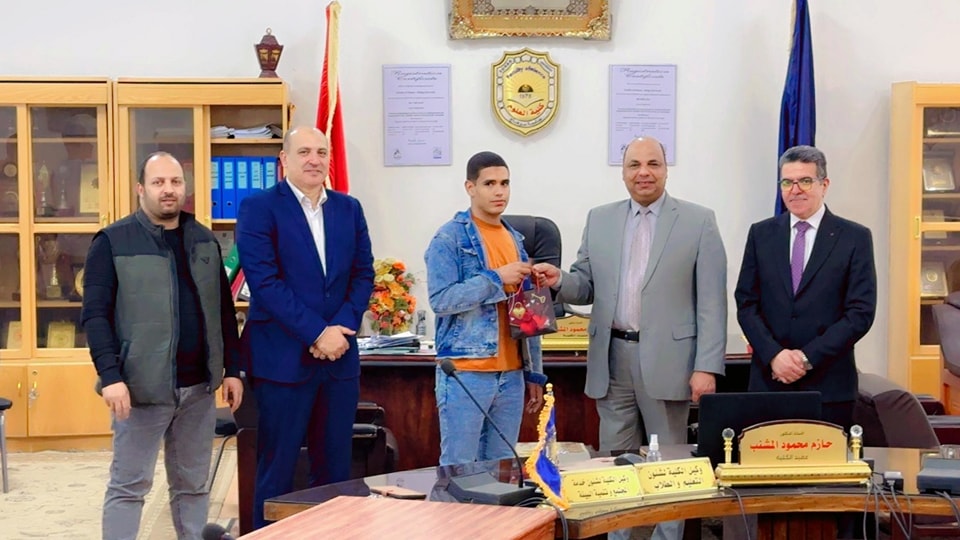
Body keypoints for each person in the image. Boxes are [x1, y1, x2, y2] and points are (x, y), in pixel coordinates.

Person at [536, 137, 726, 540]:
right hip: (612, 357)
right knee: (614, 466)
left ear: (666, 170)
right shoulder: (600, 219)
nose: (644, 172)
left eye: (653, 164)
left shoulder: (698, 221)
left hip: (671, 361)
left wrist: (707, 366)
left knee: (669, 465)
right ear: (622, 173)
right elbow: (585, 285)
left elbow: (712, 301)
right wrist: (559, 281)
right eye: (634, 165)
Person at [81, 151, 243, 540]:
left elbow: (224, 312)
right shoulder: (112, 241)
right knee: (129, 487)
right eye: (158, 182)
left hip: (198, 390)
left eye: (175, 182)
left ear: (184, 187)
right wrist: (110, 376)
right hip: (139, 390)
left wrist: (232, 369)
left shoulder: (204, 239)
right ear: (141, 189)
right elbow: (95, 316)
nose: (168, 190)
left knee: (193, 486)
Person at [236, 126, 374, 529]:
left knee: (335, 473)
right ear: (284, 159)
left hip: (338, 362)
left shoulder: (349, 209)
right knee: (277, 471)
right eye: (304, 152)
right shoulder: (259, 208)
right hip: (282, 362)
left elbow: (363, 274)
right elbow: (265, 283)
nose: (314, 160)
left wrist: (341, 327)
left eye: (321, 152)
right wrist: (318, 333)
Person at [735, 145, 877, 430]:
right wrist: (775, 355)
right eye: (787, 182)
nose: (795, 190)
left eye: (805, 181)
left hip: (829, 387)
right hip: (770, 383)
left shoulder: (854, 237)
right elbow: (746, 303)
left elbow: (860, 313)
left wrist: (805, 358)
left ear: (824, 185)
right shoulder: (761, 234)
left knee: (825, 461)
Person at [425, 150, 547, 466]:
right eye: (489, 183)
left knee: (503, 470)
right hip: (466, 372)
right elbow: (441, 300)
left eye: (505, 183)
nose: (499, 191)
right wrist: (496, 279)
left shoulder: (515, 238)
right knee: (460, 468)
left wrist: (535, 373)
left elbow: (528, 311)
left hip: (511, 374)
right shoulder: (449, 237)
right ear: (470, 187)